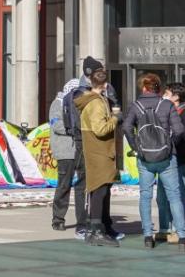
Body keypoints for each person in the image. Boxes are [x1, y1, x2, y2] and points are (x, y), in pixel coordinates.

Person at [123, 73, 185, 250]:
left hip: (145, 158)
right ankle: (182, 236)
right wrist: (170, 145)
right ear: (158, 88)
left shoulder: (136, 106)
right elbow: (179, 130)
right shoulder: (166, 105)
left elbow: (126, 127)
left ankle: (148, 236)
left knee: (145, 195)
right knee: (175, 196)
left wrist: (136, 147)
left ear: (143, 87)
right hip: (167, 157)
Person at [75, 68, 120, 247]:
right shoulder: (96, 103)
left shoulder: (93, 100)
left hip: (97, 151)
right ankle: (96, 231)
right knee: (99, 190)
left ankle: (97, 228)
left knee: (100, 190)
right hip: (99, 152)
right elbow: (100, 129)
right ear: (105, 85)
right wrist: (115, 118)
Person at [49, 78, 88, 236]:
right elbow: (56, 125)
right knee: (64, 185)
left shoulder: (79, 105)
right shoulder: (57, 103)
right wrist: (76, 130)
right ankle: (58, 218)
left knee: (81, 187)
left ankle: (82, 220)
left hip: (79, 150)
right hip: (65, 151)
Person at [157, 82, 185, 242]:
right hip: (165, 159)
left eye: (167, 93)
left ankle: (178, 229)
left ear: (176, 96)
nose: (163, 96)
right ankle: (164, 228)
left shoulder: (182, 113)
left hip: (179, 159)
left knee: (178, 196)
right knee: (162, 196)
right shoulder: (166, 111)